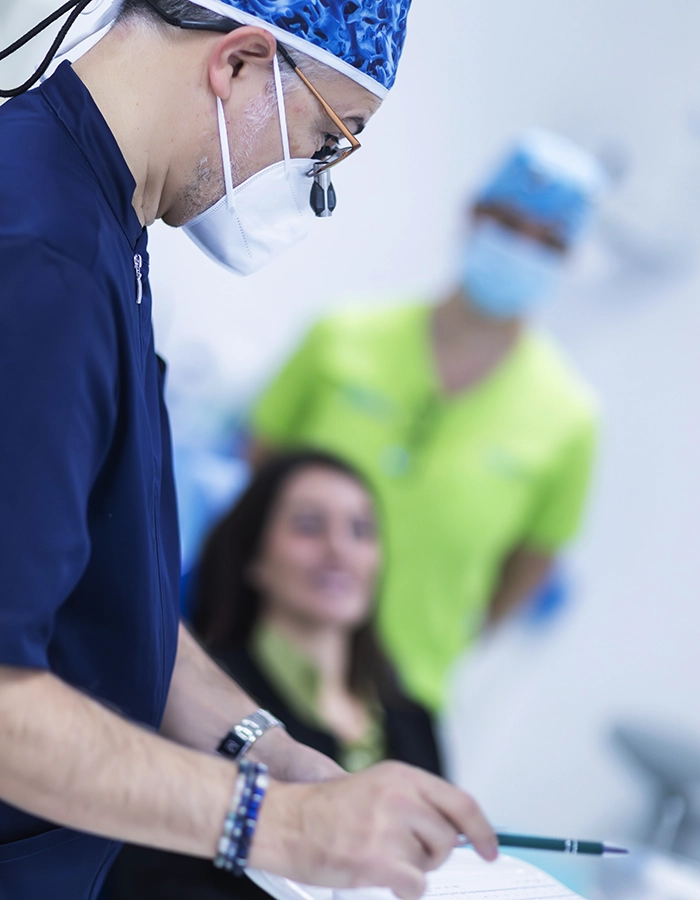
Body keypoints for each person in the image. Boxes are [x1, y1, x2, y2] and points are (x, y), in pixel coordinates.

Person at [0, 2, 499, 899]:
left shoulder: (106, 228)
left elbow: (112, 599)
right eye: (328, 138)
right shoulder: (42, 258)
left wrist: (264, 749)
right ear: (237, 63)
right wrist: (277, 827)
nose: (316, 184)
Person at [251, 129, 605, 712]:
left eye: (547, 242)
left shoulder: (570, 419)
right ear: (473, 215)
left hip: (402, 687)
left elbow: (530, 566)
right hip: (260, 645)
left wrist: (441, 638)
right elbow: (260, 466)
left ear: (567, 261)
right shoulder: (343, 336)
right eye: (509, 225)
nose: (521, 249)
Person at [109, 449, 442, 899]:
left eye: (361, 531)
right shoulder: (197, 698)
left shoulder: (415, 720)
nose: (339, 549)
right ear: (252, 555)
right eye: (309, 526)